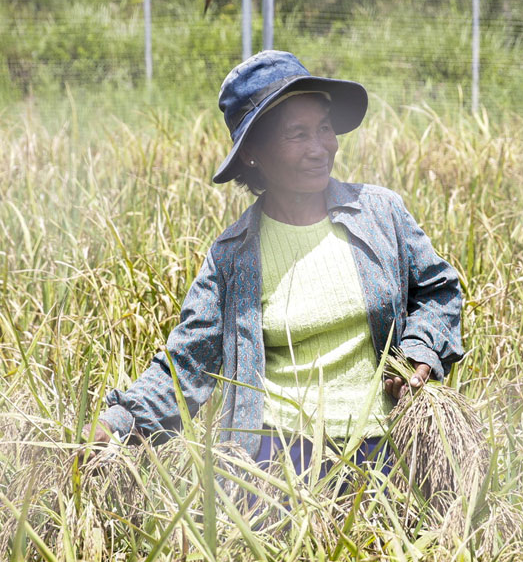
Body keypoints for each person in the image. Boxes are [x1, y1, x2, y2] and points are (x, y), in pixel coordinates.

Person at [82, 50, 464, 477]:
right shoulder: (232, 256)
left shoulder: (381, 214)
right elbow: (189, 361)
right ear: (253, 153)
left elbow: (438, 290)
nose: (320, 147)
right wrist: (115, 424)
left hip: (387, 451)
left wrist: (419, 350)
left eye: (324, 128)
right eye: (297, 134)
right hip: (278, 468)